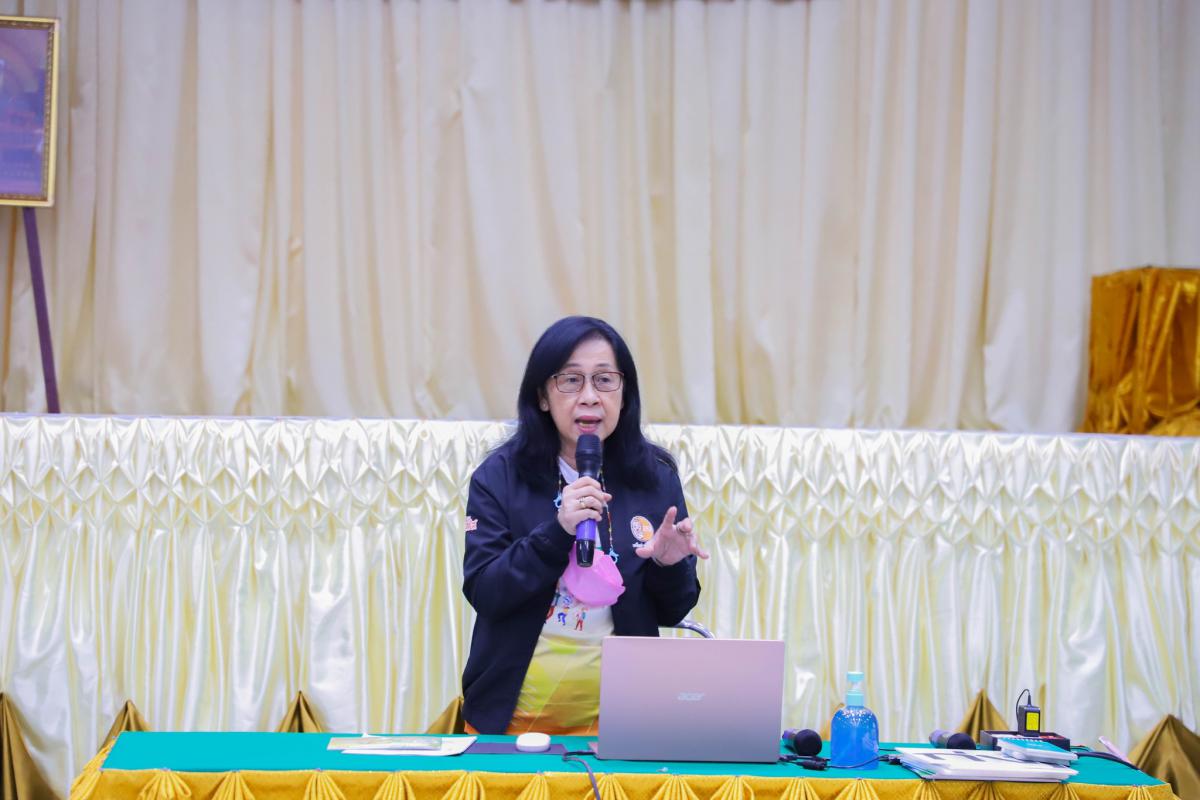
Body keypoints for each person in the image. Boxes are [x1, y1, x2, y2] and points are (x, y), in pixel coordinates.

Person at [461, 316, 709, 735]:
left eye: (605, 380)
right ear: (542, 396)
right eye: (571, 381)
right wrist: (557, 531)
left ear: (624, 394)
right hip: (512, 720)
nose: (590, 397)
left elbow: (673, 610)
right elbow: (486, 593)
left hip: (623, 721)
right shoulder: (499, 476)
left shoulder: (655, 477)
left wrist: (668, 565)